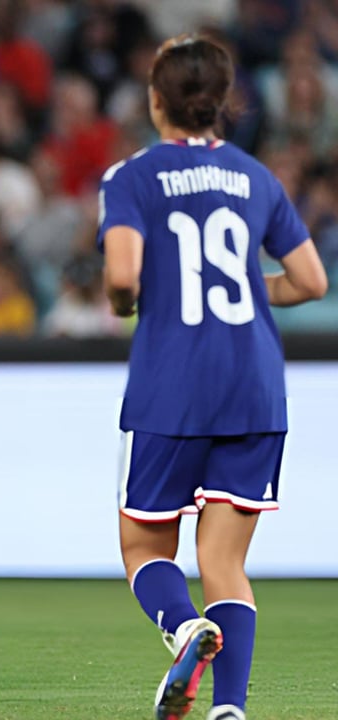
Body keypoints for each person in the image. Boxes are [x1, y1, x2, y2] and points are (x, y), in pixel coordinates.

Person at [98, 34, 327, 720]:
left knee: (143, 544)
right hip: (255, 384)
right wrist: (251, 288)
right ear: (225, 101)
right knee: (225, 562)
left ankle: (184, 627)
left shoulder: (132, 177)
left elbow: (122, 277)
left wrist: (127, 303)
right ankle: (229, 708)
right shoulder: (256, 176)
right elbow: (311, 281)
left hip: (172, 384)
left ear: (156, 100)